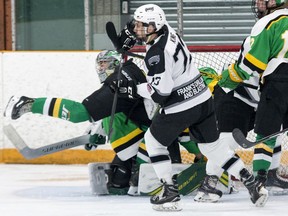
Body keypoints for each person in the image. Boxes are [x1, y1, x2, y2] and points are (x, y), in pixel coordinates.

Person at [114, 3, 268, 211]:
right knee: (211, 147)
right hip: (203, 98)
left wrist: (133, 89)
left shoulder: (156, 54)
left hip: (181, 106)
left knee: (153, 142)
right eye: (137, 25)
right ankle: (252, 182)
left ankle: (170, 193)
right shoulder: (169, 31)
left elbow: (161, 94)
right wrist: (133, 38)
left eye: (143, 26)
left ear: (154, 26)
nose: (138, 29)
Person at [217, 0, 288, 196]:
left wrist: (228, 78)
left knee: (266, 133)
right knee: (278, 130)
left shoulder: (267, 23)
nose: (258, 4)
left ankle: (261, 179)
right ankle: (272, 176)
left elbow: (252, 64)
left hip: (278, 82)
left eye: (262, 0)